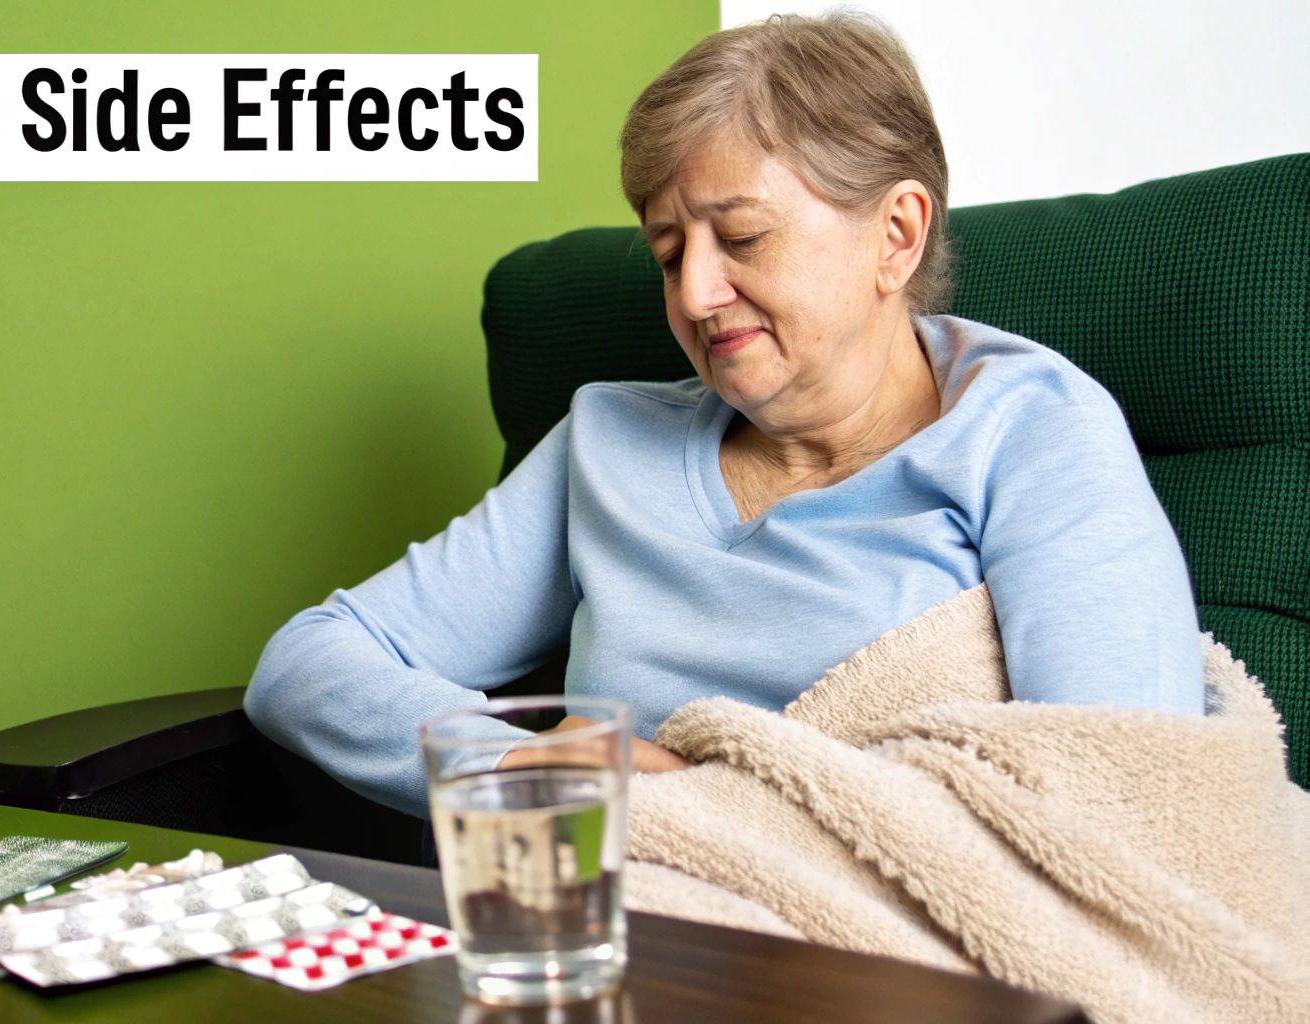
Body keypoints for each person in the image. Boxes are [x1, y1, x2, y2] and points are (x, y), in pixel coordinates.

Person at [244, 10, 1206, 819]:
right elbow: (310, 665)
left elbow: (1120, 791)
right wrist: (528, 769)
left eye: (741, 236)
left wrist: (739, 824)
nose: (697, 293)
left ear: (897, 234)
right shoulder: (609, 446)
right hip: (618, 936)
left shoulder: (1032, 434)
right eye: (669, 254)